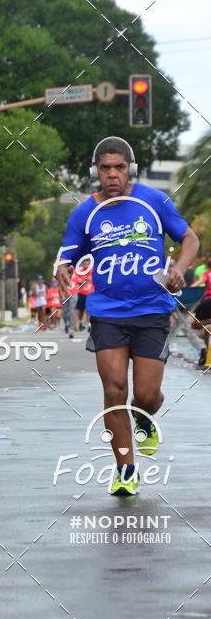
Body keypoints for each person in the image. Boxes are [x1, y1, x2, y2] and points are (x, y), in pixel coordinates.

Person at [55, 136, 199, 497]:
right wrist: (61, 267)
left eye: (119, 167)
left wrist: (178, 269)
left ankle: (143, 418)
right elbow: (66, 254)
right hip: (107, 311)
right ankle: (125, 470)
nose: (112, 175)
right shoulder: (85, 213)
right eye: (105, 168)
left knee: (146, 396)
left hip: (152, 310)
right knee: (114, 389)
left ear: (130, 169)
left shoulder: (154, 201)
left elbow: (190, 239)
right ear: (95, 172)